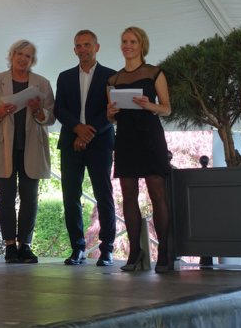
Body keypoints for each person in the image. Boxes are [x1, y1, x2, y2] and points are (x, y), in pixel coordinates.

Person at [0, 40, 55, 263]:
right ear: (11, 56)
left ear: (33, 60)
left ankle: (26, 245)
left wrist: (38, 111)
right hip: (4, 148)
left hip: (31, 147)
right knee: (5, 199)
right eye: (19, 54)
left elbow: (50, 117)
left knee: (30, 199)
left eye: (28, 56)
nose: (23, 59)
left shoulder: (42, 83)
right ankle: (10, 247)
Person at [106, 27, 171, 273]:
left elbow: (167, 109)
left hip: (150, 137)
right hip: (125, 139)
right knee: (128, 196)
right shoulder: (113, 80)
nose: (127, 45)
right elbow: (111, 116)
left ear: (141, 45)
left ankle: (163, 252)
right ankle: (135, 252)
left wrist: (149, 105)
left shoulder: (155, 73)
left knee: (157, 194)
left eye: (132, 41)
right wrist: (110, 114)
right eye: (124, 41)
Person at [55, 30, 117, 267]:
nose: (83, 49)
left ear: (97, 47)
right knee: (70, 196)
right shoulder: (64, 76)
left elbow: (112, 111)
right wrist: (78, 129)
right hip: (71, 142)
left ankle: (107, 249)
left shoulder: (111, 77)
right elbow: (59, 109)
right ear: (74, 50)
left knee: (104, 195)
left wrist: (88, 133)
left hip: (100, 142)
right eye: (79, 46)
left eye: (87, 45)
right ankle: (77, 248)